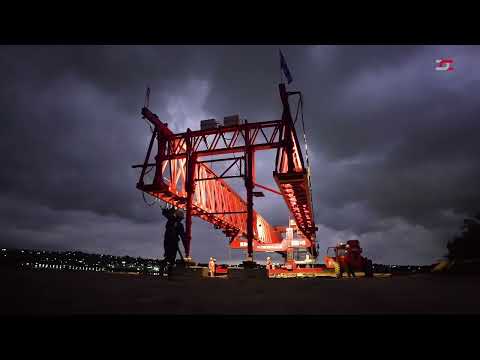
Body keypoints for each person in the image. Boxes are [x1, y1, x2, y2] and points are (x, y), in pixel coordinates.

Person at [161, 207, 186, 277]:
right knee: (171, 258)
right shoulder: (179, 225)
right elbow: (182, 236)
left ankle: (164, 270)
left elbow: (166, 214)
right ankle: (169, 273)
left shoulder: (170, 221)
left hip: (167, 241)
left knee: (168, 256)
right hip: (172, 242)